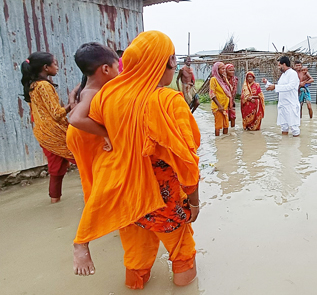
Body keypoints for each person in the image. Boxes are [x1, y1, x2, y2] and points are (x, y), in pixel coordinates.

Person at [70, 31, 201, 289]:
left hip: (125, 194)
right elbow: (187, 161)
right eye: (172, 59)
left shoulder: (109, 96)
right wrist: (194, 202)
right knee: (182, 252)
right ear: (167, 63)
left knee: (136, 254)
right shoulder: (168, 100)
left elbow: (80, 132)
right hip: (162, 197)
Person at [67, 43, 120, 207]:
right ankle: (99, 209)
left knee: (94, 174)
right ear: (105, 69)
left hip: (82, 134)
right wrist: (106, 133)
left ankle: (100, 206)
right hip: (84, 135)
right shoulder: (93, 92)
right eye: (117, 68)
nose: (119, 72)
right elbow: (75, 118)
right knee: (98, 174)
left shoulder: (91, 88)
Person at [20, 52, 76, 203]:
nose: (57, 67)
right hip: (55, 133)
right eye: (55, 64)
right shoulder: (44, 86)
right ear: (46, 67)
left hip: (42, 133)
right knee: (84, 160)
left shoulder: (32, 86)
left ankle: (55, 202)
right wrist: (73, 103)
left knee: (56, 169)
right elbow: (57, 114)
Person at [264, 56, 301, 136]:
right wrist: (268, 84)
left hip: (291, 104)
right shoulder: (283, 75)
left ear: (284, 64)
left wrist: (275, 87)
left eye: (279, 65)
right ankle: (283, 146)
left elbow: (290, 86)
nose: (278, 67)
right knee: (284, 127)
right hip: (283, 105)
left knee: (294, 127)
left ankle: (296, 147)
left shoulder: (292, 74)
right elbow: (280, 87)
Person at [209, 62, 231, 136]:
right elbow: (212, 94)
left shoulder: (223, 80)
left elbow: (229, 89)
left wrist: (225, 80)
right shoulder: (214, 79)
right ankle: (218, 142)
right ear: (217, 70)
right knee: (218, 126)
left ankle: (225, 143)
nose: (224, 70)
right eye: (222, 69)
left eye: (224, 69)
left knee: (226, 125)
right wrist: (219, 106)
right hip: (218, 107)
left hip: (225, 106)